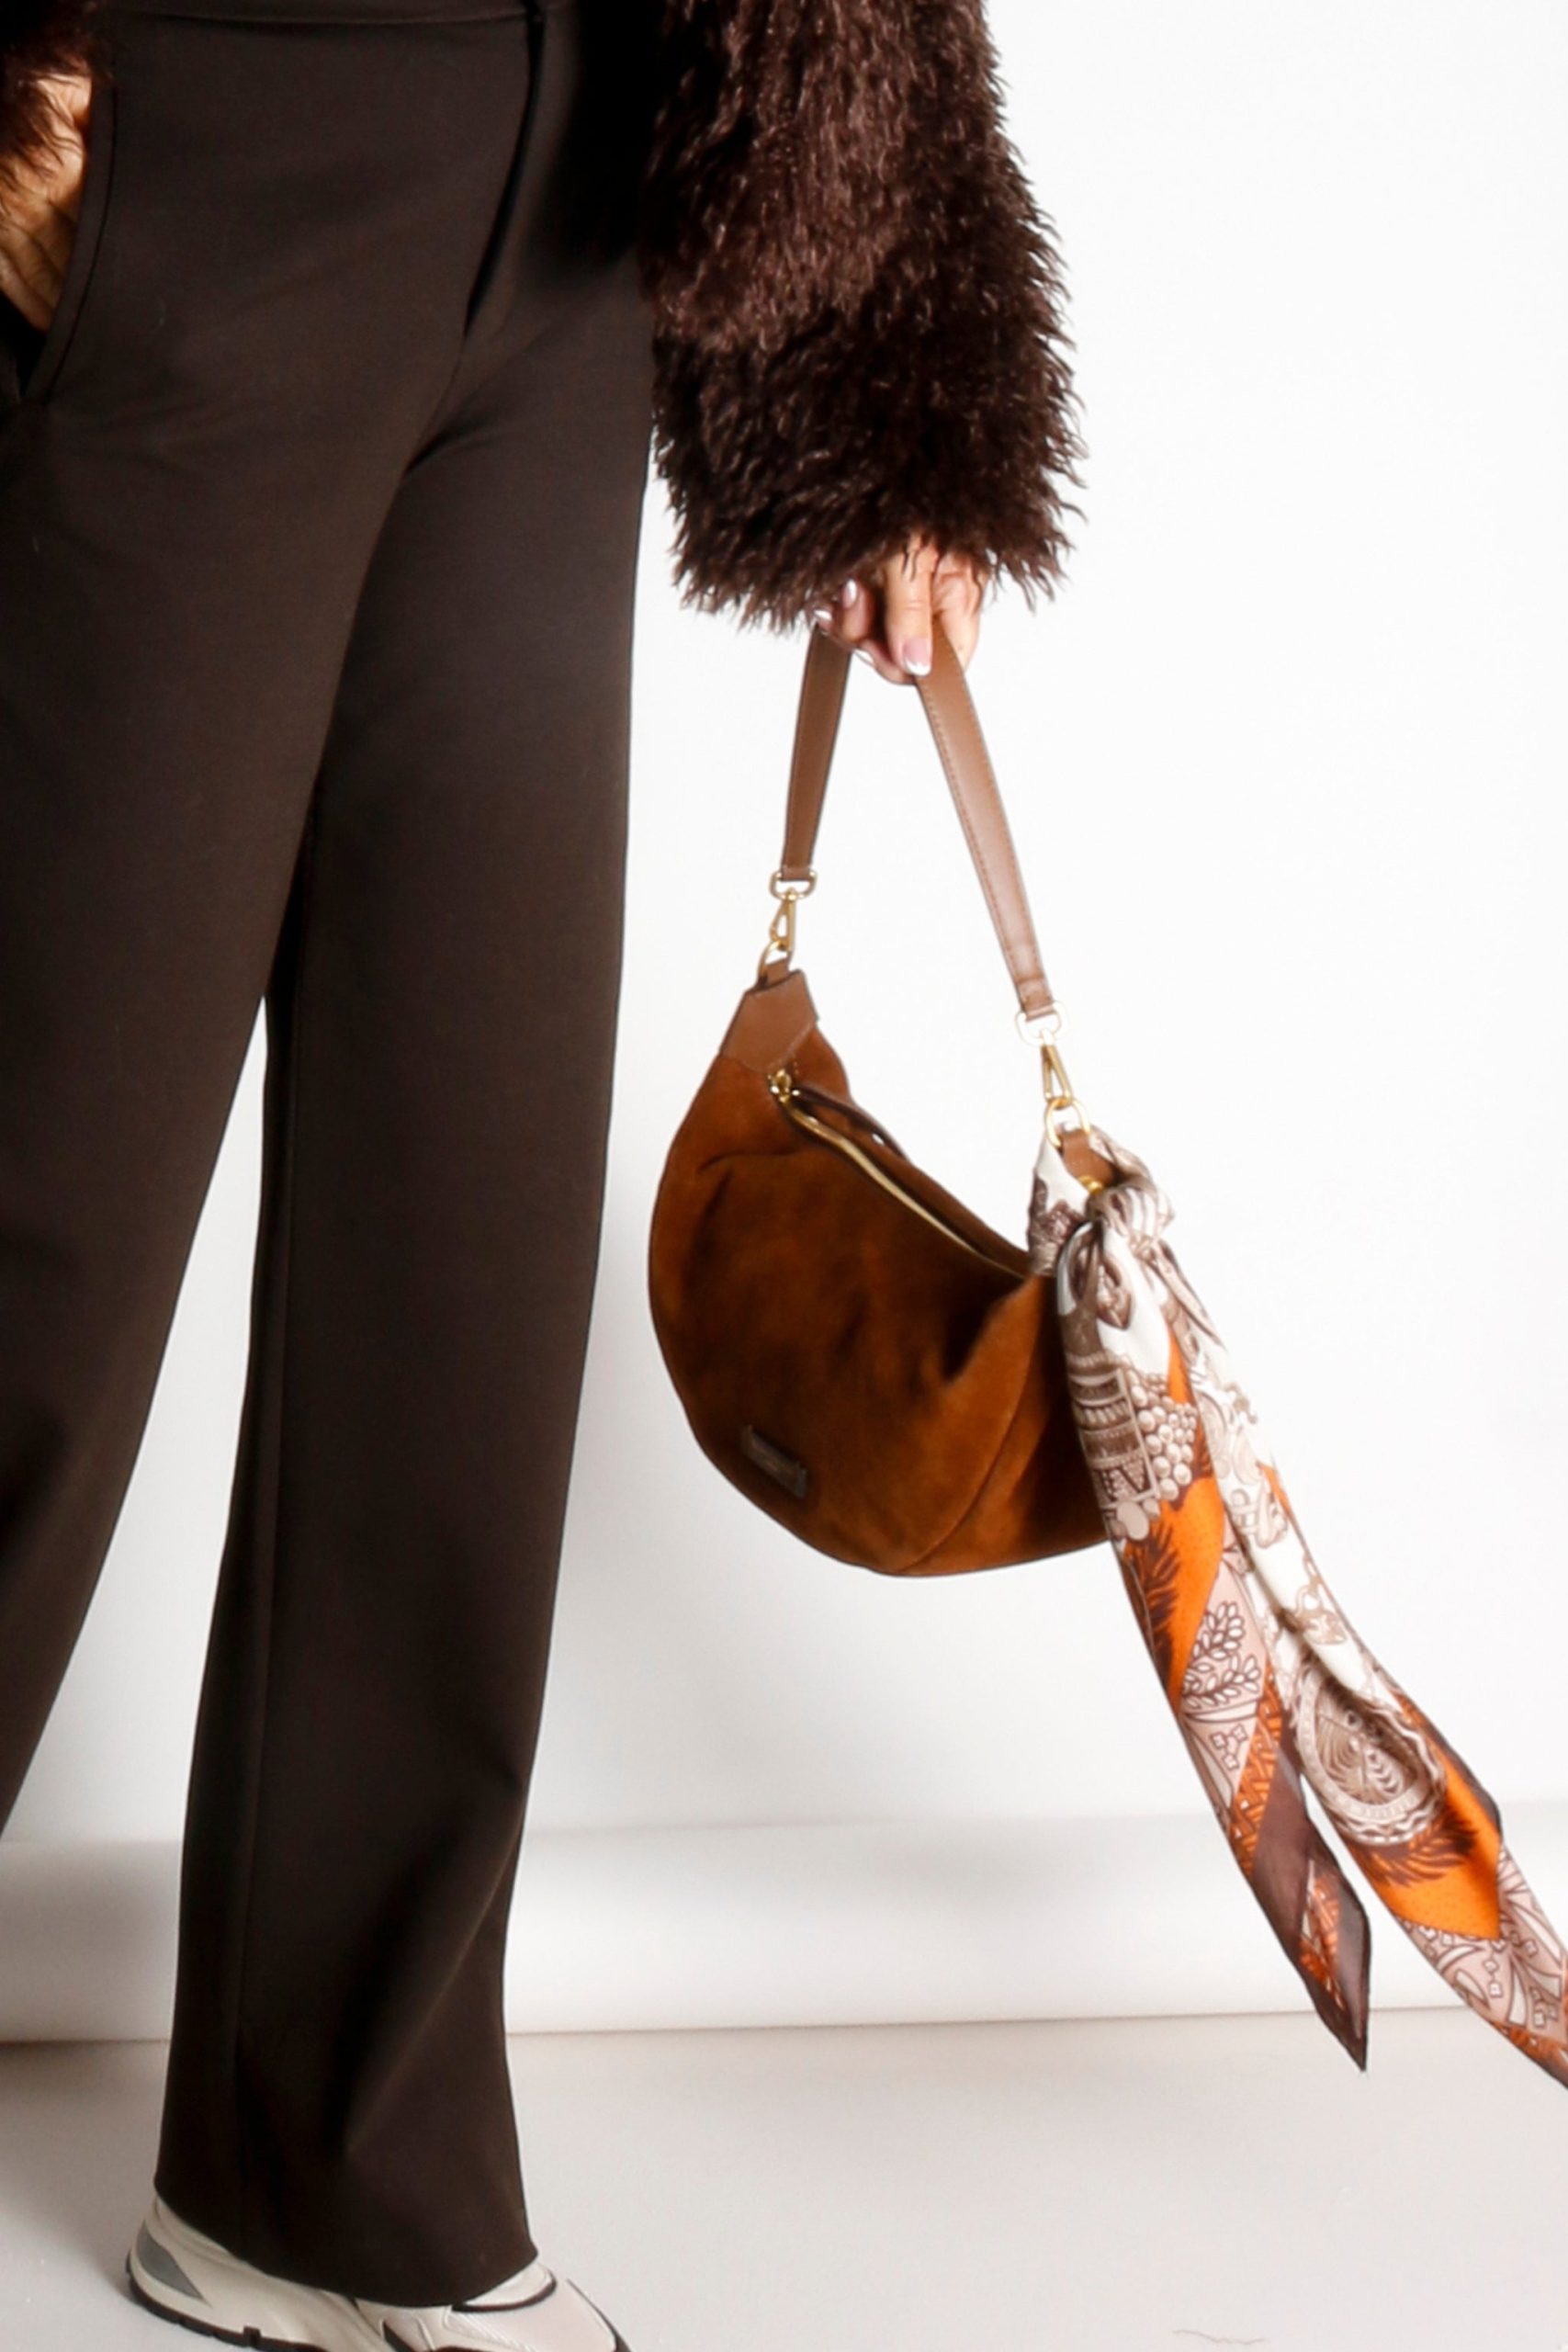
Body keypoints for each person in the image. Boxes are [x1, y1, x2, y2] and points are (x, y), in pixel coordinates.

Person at [0, 0, 1082, 2344]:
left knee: (457, 1247)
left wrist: (881, 334)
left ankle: (332, 2163)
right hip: (191, 126)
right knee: (39, 1230)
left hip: (587, 166)